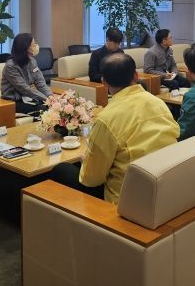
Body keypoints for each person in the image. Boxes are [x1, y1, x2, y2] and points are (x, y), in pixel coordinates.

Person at [51, 53, 179, 204]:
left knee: (61, 170)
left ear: (104, 82)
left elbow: (92, 179)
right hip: (166, 184)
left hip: (129, 198)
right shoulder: (158, 103)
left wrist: (85, 162)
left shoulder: (107, 119)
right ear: (136, 75)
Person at [1, 33, 53, 115]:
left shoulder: (32, 61)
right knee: (44, 109)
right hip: (13, 102)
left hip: (27, 98)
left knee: (55, 106)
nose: (36, 46)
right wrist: (46, 99)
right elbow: (24, 89)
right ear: (25, 47)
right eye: (33, 44)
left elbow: (40, 82)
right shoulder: (11, 66)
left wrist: (50, 96)